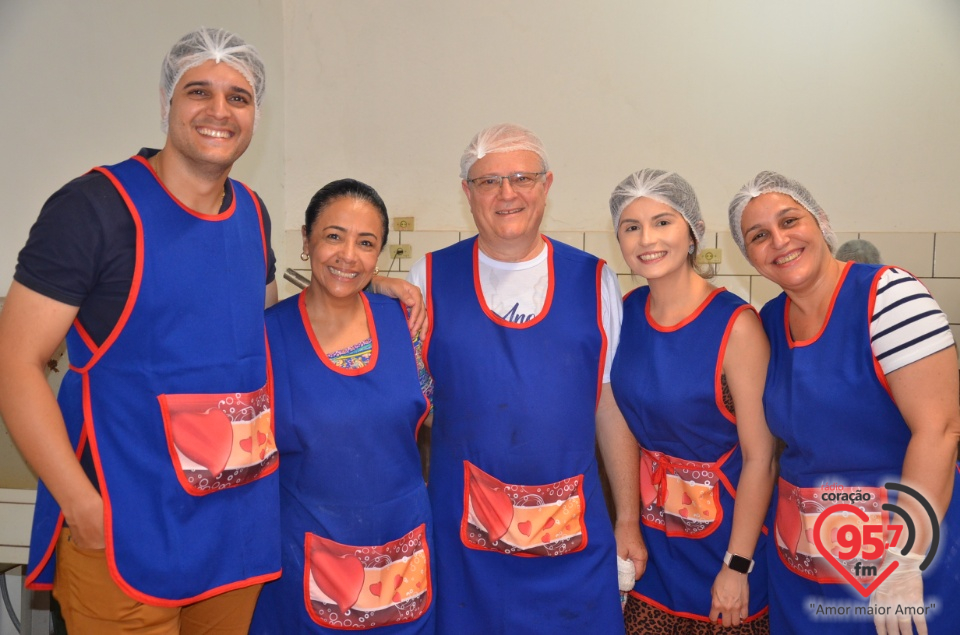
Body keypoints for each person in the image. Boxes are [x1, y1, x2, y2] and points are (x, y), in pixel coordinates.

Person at [0, 27, 422, 634]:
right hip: (127, 523)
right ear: (168, 101)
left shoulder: (251, 211)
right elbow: (16, 362)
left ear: (255, 115)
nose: (219, 111)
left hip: (233, 532)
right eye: (200, 91)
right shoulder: (95, 209)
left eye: (240, 97)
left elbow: (273, 337)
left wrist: (361, 284)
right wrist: (80, 503)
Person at [406, 123, 646, 633]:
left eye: (521, 177)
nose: (506, 193)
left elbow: (609, 403)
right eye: (488, 181)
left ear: (547, 184)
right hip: (463, 541)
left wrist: (628, 517)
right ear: (466, 193)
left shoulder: (593, 278)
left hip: (571, 540)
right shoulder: (426, 279)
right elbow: (405, 399)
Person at [728, 171, 960, 635]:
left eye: (790, 220)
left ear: (822, 222)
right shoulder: (770, 321)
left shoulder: (888, 296)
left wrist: (904, 559)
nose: (779, 240)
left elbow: (939, 430)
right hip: (802, 571)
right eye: (758, 235)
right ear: (749, 256)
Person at [250, 179, 435, 634]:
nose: (348, 255)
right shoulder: (267, 337)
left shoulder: (406, 323)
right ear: (307, 239)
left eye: (365, 243)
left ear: (379, 255)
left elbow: (434, 416)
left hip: (402, 553)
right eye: (334, 236)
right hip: (305, 554)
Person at [608, 169, 775, 633]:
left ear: (692, 230)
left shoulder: (736, 325)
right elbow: (617, 413)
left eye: (663, 222)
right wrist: (626, 521)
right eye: (631, 226)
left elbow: (761, 458)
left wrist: (737, 566)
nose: (647, 239)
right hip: (654, 543)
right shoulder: (624, 315)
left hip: (726, 541)